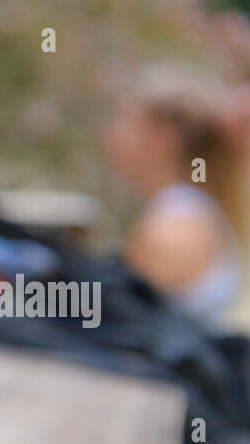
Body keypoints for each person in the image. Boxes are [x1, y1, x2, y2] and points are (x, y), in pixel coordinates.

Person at [104, 67, 250, 333]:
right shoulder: (187, 212)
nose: (112, 133)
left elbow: (128, 326)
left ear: (163, 137)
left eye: (127, 121)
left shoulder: (174, 229)